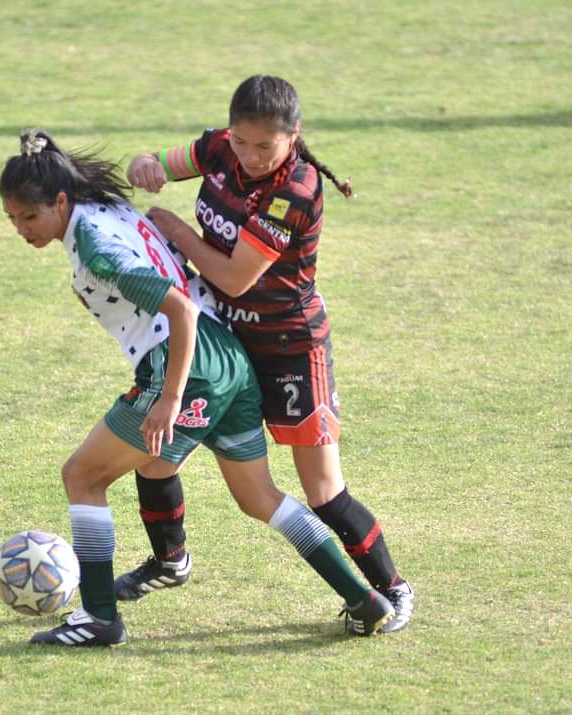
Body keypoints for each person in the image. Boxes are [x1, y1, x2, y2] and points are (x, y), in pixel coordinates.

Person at [0, 128, 395, 647]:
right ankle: (364, 601)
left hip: (188, 362)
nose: (22, 230)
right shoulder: (106, 210)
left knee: (83, 477)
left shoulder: (95, 248)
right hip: (228, 358)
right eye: (12, 219)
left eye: (30, 217)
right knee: (258, 497)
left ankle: (98, 618)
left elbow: (178, 310)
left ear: (61, 200)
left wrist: (168, 398)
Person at [121, 75, 413, 634]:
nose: (250, 157)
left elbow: (233, 276)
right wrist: (146, 164)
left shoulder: (296, 190)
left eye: (265, 147)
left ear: (293, 137)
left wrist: (174, 227)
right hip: (225, 344)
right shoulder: (219, 148)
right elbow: (159, 163)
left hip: (289, 349)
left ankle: (392, 588)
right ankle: (168, 562)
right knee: (157, 454)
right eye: (241, 143)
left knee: (323, 492)